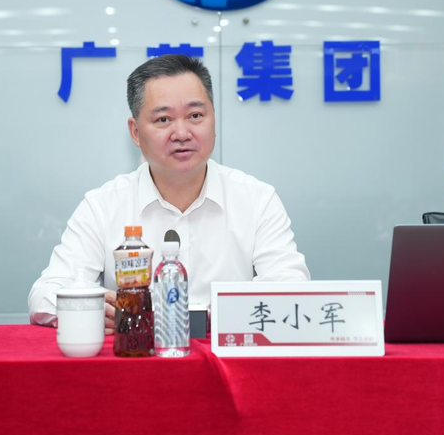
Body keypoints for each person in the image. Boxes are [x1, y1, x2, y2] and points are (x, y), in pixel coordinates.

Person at [28, 54, 309, 332]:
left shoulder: (256, 199)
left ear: (214, 120)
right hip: (137, 357)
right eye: (163, 119)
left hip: (225, 355)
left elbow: (291, 285)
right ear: (135, 132)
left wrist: (222, 313)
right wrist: (89, 307)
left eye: (195, 116)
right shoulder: (103, 205)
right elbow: (45, 295)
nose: (182, 133)